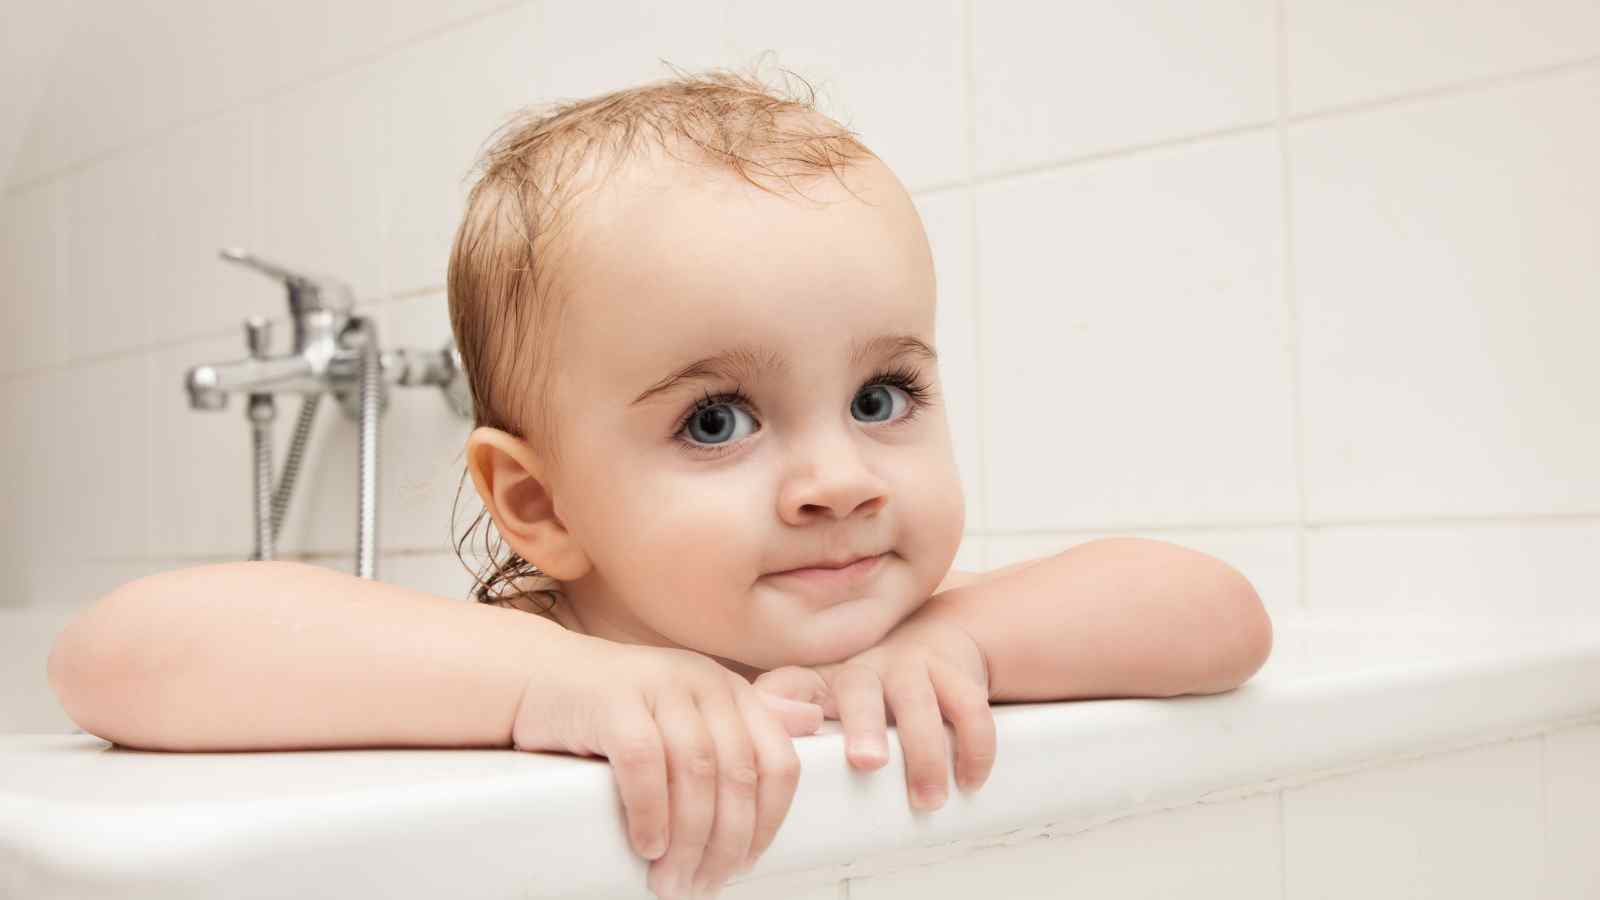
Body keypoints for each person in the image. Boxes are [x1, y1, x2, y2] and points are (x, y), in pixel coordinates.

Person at [47, 65, 1273, 900]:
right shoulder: (538, 654)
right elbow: (117, 656)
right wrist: (560, 684)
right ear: (536, 506)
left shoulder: (897, 628)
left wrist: (961, 642)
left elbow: (1217, 614)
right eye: (717, 420)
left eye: (880, 397)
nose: (836, 479)